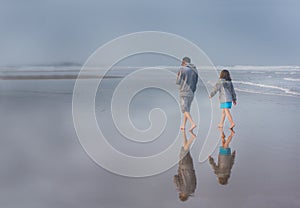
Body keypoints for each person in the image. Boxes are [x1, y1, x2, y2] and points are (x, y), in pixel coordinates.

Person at [176, 57, 198, 132]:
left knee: (184, 109)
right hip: (191, 92)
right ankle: (183, 125)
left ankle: (192, 123)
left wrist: (178, 75)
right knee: (187, 109)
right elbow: (196, 81)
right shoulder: (195, 70)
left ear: (184, 62)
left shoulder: (182, 69)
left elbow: (178, 82)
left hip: (184, 91)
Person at [173, 130, 197, 201]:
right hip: (183, 167)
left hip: (191, 166)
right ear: (181, 195)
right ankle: (192, 138)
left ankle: (184, 134)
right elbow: (175, 178)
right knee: (184, 150)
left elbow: (195, 179)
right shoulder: (181, 188)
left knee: (186, 150)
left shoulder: (193, 189)